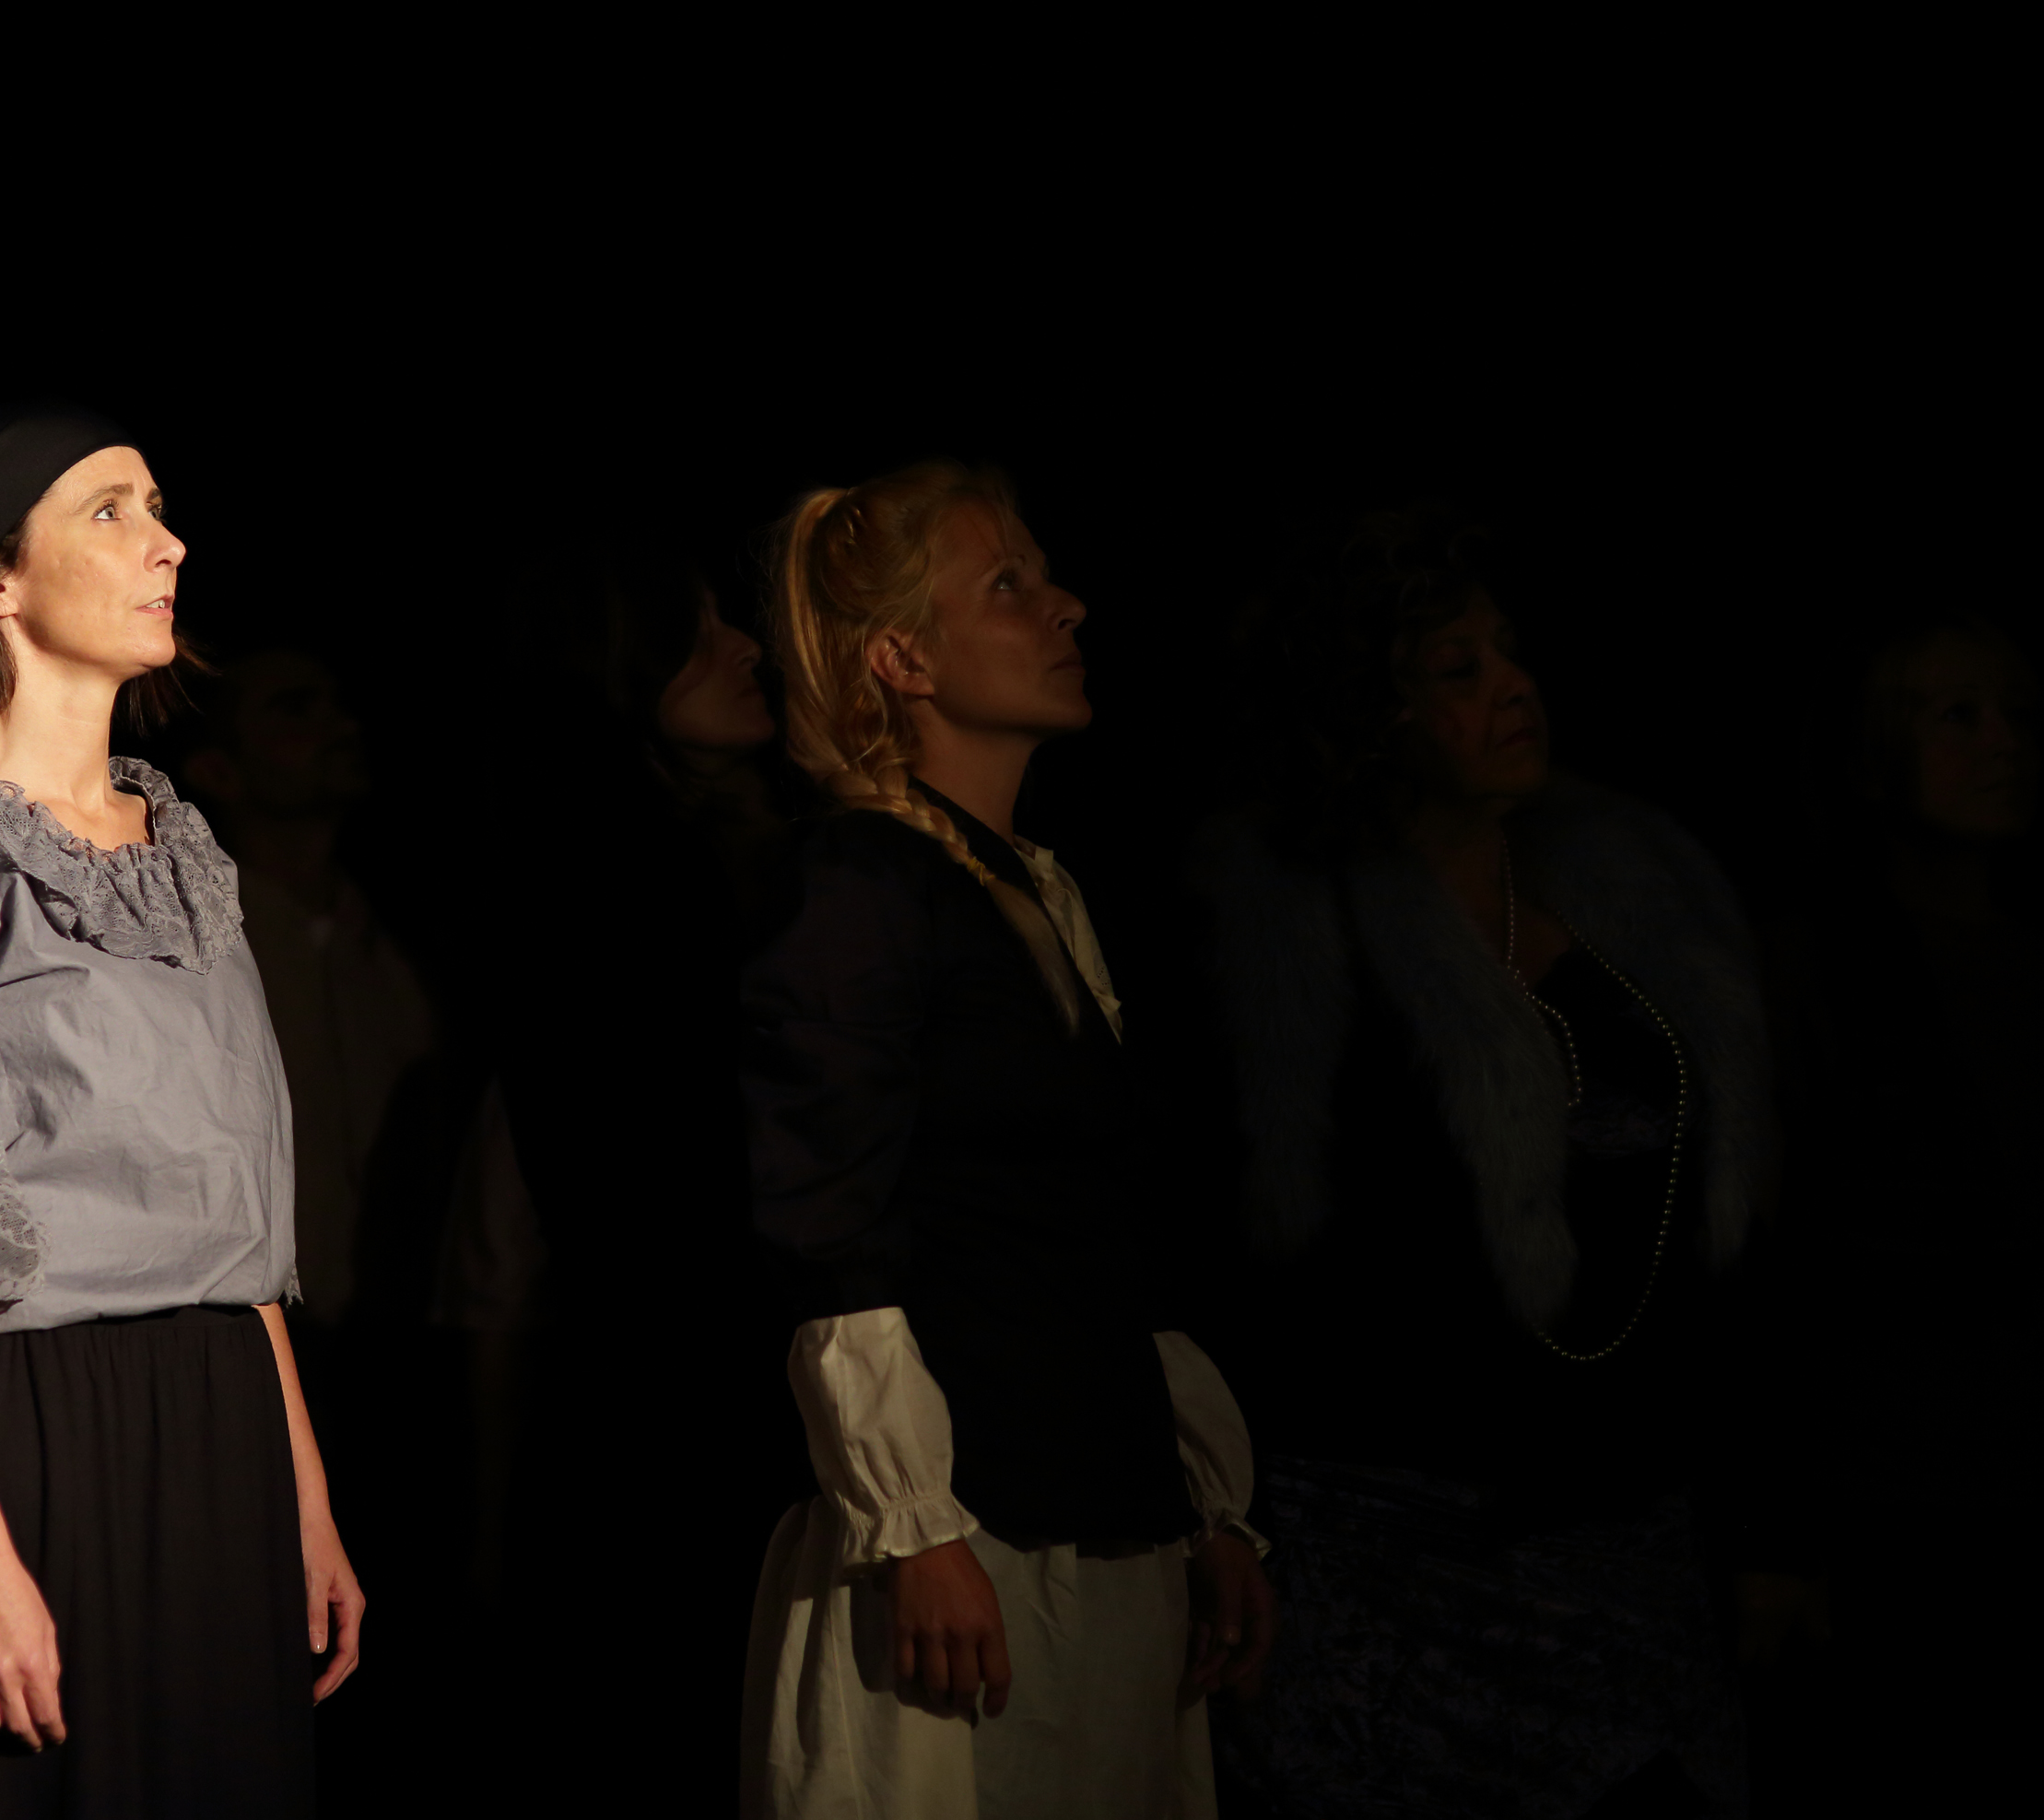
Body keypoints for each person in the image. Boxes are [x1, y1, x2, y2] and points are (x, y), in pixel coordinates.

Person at [1191, 505, 1797, 1818]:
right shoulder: (1288, 933)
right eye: (1456, 670)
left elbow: (1727, 1234)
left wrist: (1762, 1522)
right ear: (1370, 713)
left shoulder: (1627, 897)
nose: (1512, 686)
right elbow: (1237, 1251)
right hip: (1380, 1546)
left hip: (1627, 1537)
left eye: (1508, 652)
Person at [0, 404, 360, 1816]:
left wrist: (302, 1492)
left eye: (157, 506)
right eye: (109, 510)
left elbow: (239, 1226)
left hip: (224, 1423)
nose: (166, 542)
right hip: (39, 1425)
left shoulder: (185, 847)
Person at [741, 463, 1269, 1818]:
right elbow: (827, 1217)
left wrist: (1203, 1501)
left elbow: (1104, 1216)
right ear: (902, 658)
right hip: (968, 1539)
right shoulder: (860, 877)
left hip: (1105, 1519)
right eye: (1007, 585)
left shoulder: (1030, 882)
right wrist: (914, 1524)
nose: (1064, 605)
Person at [440, 538, 808, 1814]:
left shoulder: (731, 857)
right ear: (618, 671)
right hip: (686, 1418)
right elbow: (627, 1206)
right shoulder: (619, 886)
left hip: (697, 1400)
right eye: (696, 637)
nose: (747, 649)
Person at [1758, 611, 2038, 1810]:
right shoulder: (1814, 962)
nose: (2002, 742)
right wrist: (1781, 1531)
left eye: (2014, 714)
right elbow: (1772, 1254)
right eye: (1955, 715)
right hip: (1896, 1503)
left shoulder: (2029, 954)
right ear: (1873, 751)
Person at [167, 649, 434, 1333]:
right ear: (219, 769)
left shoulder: (396, 939)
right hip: (261, 1324)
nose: (341, 726)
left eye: (335, 704)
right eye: (295, 710)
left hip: (401, 1322)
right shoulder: (194, 950)